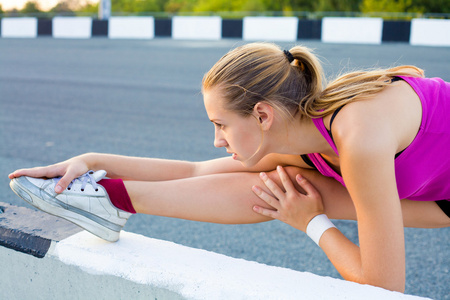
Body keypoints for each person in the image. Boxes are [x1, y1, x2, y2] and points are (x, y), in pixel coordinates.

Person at [9, 42, 450, 292]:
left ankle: (109, 199)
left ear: (262, 115)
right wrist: (92, 161)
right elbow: (196, 171)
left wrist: (313, 223)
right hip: (436, 190)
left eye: (221, 124)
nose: (217, 139)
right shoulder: (301, 134)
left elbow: (383, 286)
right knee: (283, 186)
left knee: (295, 196)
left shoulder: (359, 137)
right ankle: (109, 196)